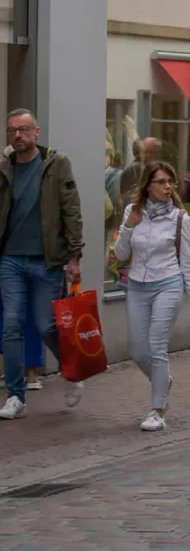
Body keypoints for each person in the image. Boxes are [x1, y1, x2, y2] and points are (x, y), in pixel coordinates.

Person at [0, 109, 87, 420]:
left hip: (47, 260)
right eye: (13, 130)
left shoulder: (56, 164)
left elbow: (71, 210)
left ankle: (73, 371)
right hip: (10, 259)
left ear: (36, 132)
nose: (18, 135)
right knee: (11, 325)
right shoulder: (4, 168)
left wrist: (74, 256)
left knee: (45, 324)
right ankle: (15, 396)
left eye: (24, 129)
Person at [113, 161, 190, 431]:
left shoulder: (180, 218)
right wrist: (128, 226)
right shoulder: (132, 212)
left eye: (170, 182)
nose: (168, 187)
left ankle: (157, 410)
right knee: (138, 351)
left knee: (157, 346)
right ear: (148, 185)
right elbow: (120, 254)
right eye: (161, 182)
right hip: (137, 286)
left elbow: (188, 262)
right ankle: (162, 380)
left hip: (168, 284)